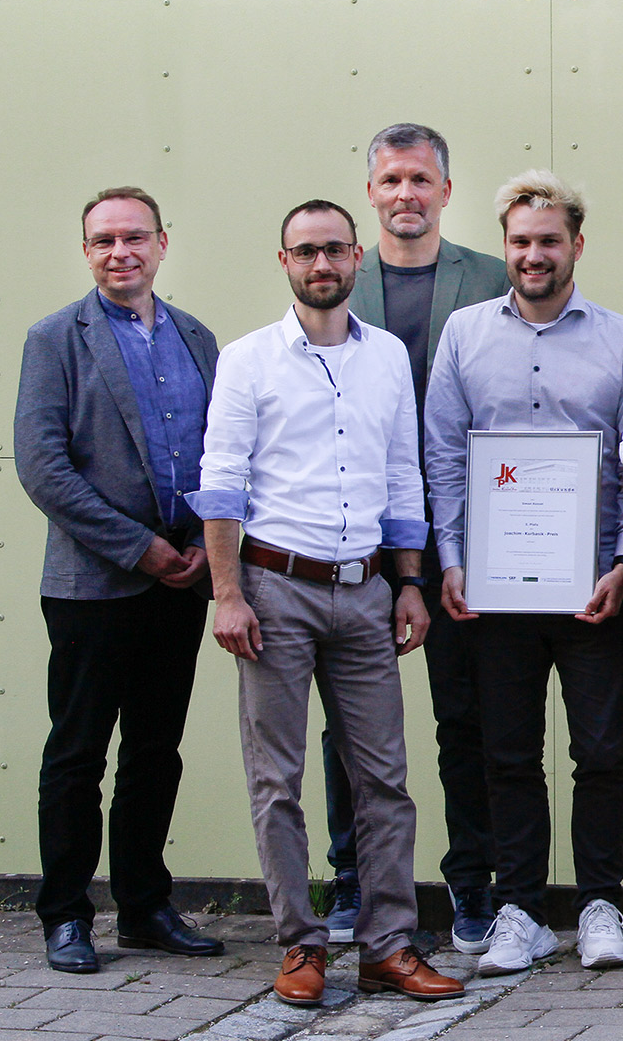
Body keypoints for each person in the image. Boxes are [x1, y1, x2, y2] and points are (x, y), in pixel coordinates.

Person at [191, 199, 461, 1006]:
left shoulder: (384, 359)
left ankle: (387, 945)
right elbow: (221, 481)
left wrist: (410, 583)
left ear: (355, 260)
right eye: (305, 251)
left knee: (385, 779)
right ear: (284, 261)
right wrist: (228, 593)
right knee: (278, 778)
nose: (321, 265)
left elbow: (404, 474)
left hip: (367, 590)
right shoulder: (248, 360)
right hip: (275, 590)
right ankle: (300, 945)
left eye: (335, 250)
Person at [423, 170, 623, 976]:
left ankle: (600, 907)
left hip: (592, 590)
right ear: (504, 248)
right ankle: (520, 909)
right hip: (496, 593)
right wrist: (451, 560)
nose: (534, 254)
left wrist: (622, 560)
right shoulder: (465, 335)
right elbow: (443, 454)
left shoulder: (622, 338)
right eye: (520, 241)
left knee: (601, 752)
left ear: (575, 245)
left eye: (550, 240)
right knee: (506, 754)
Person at [15, 187, 226, 973]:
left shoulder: (199, 338)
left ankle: (142, 907)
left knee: (154, 750)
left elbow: (222, 453)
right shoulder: (55, 339)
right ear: (86, 251)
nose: (119, 252)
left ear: (163, 245)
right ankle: (65, 914)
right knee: (76, 754)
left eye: (134, 237)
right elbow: (43, 469)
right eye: (102, 240)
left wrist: (208, 545)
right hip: (92, 587)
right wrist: (141, 549)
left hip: (184, 582)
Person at [319, 123, 513, 950]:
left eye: (421, 180)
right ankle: (351, 878)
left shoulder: (496, 279)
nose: (406, 194)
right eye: (392, 180)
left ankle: (472, 883)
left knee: (466, 716)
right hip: (361, 535)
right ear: (372, 192)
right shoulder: (333, 280)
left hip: (469, 532)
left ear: (444, 190)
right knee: (351, 719)